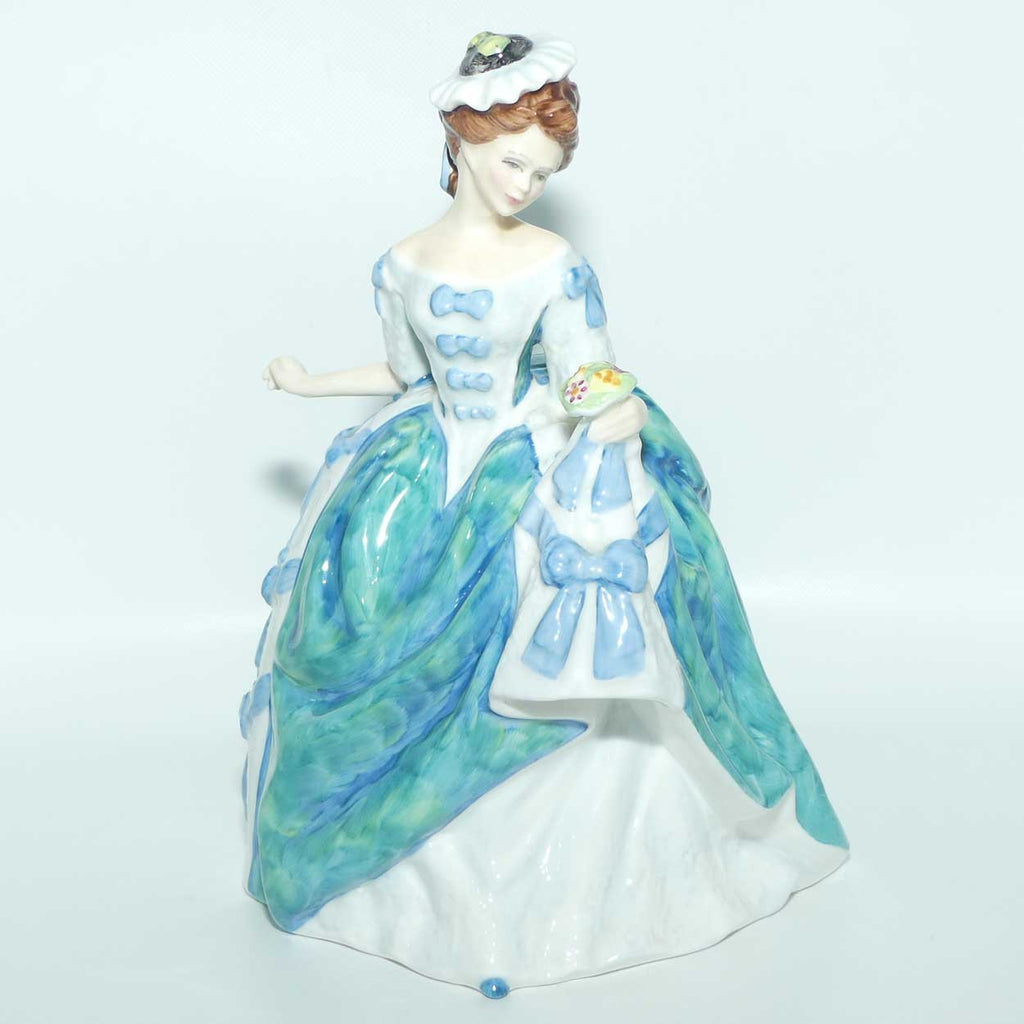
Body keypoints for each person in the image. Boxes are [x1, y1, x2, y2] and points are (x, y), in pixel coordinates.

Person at [240, 31, 849, 999]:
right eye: (514, 161)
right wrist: (311, 383)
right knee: (353, 611)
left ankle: (575, 876)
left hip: (527, 452)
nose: (526, 184)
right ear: (464, 140)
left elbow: (581, 368)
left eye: (543, 171)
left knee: (567, 603)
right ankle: (379, 857)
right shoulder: (400, 265)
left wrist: (613, 405)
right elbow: (402, 372)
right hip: (422, 461)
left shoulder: (554, 262)